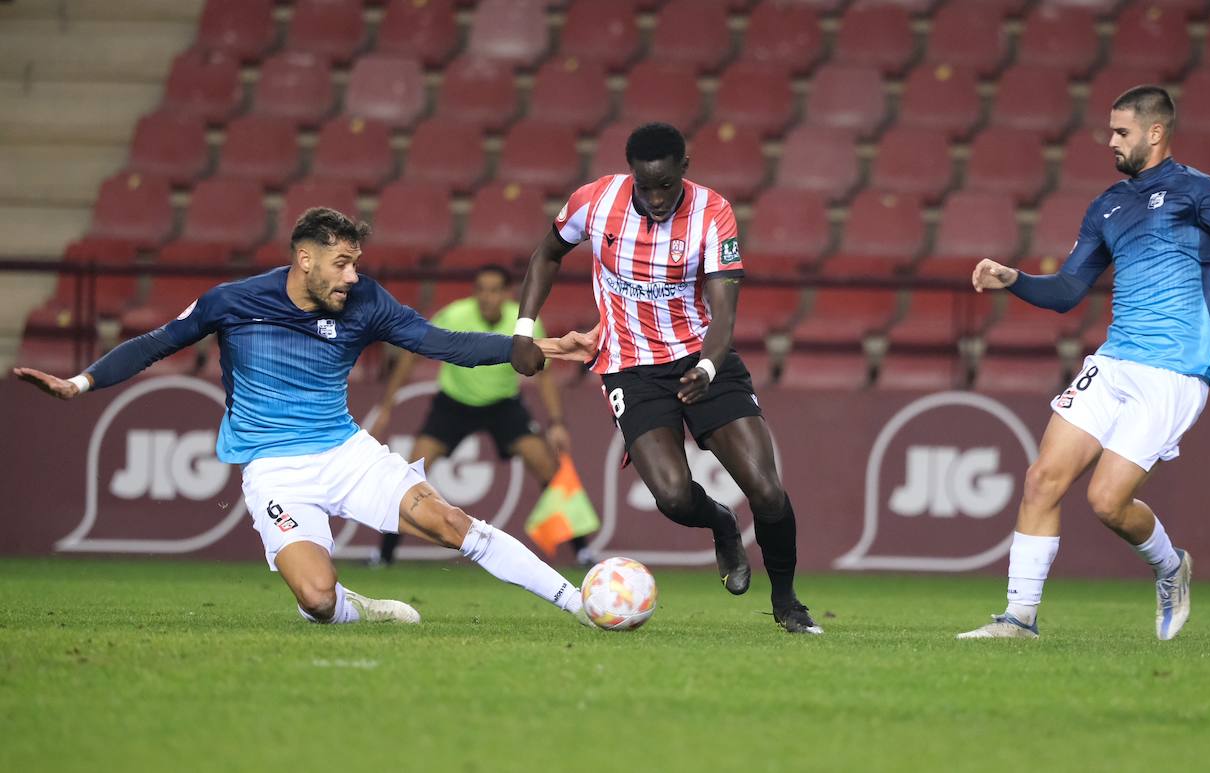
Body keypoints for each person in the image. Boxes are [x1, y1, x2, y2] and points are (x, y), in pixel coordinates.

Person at [14, 208, 600, 627]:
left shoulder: (366, 301)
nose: (352, 276)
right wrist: (80, 382)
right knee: (318, 600)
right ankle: (357, 608)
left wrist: (545, 347)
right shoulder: (234, 301)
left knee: (453, 525)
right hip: (274, 472)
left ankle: (578, 603)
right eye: (342, 264)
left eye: (355, 264)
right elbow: (154, 343)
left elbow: (442, 343)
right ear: (304, 259)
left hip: (347, 454)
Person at [959, 86, 1210, 641]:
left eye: (1121, 131)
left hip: (1173, 371)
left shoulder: (1198, 191)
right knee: (1042, 480)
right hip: (1113, 362)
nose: (1110, 141)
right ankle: (1019, 619)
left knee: (1108, 503)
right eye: (1110, 130)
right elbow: (1067, 291)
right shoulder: (1108, 205)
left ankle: (1169, 566)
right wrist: (1014, 279)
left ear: (1155, 133)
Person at [508, 122, 822, 635]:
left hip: (703, 358)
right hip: (630, 368)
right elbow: (546, 253)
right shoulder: (595, 201)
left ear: (684, 170)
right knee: (675, 498)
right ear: (631, 173)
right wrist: (524, 329)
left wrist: (706, 366)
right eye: (645, 185)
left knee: (765, 490)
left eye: (666, 186)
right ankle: (721, 523)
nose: (655, 197)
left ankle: (786, 600)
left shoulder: (712, 213)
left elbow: (724, 314)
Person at [369, 263, 596, 568]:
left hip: (503, 405)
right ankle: (384, 555)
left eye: (494, 290)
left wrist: (556, 423)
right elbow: (411, 356)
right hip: (454, 404)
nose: (487, 297)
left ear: (507, 294)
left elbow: (544, 378)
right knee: (412, 472)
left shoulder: (526, 325)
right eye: (482, 290)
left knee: (549, 467)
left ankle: (582, 551)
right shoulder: (454, 315)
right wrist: (386, 406)